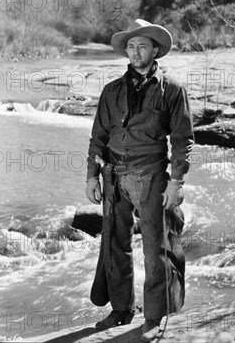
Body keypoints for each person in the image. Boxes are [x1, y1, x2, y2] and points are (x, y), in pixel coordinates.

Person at [85, 19, 194, 341]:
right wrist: (91, 176)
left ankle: (156, 315)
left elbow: (183, 139)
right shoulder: (112, 91)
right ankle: (121, 310)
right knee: (115, 246)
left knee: (155, 247)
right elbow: (97, 137)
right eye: (131, 47)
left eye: (142, 46)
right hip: (113, 176)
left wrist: (176, 183)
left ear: (155, 50)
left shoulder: (172, 90)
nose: (135, 52)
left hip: (152, 174)